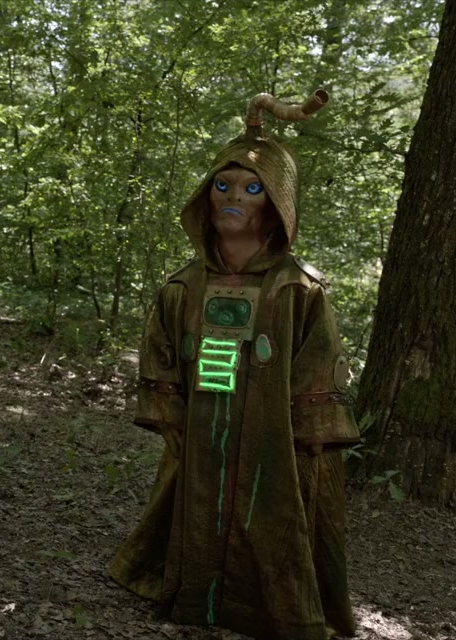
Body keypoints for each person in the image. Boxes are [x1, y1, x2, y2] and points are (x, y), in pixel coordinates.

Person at [109, 90, 359, 640]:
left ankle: (270, 605)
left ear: (276, 204)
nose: (234, 199)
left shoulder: (299, 290)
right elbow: (161, 353)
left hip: (274, 440)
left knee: (271, 514)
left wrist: (305, 434)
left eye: (251, 188)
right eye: (222, 186)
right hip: (201, 432)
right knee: (196, 502)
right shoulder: (182, 287)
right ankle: (196, 593)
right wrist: (170, 412)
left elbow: (320, 362)